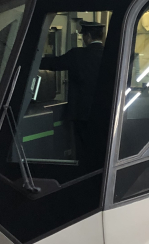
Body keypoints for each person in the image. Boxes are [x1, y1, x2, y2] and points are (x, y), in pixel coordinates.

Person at [39, 21, 105, 158]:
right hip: (104, 111)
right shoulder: (112, 55)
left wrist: (33, 59)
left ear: (87, 37)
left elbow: (54, 64)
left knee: (82, 149)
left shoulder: (77, 54)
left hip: (81, 113)